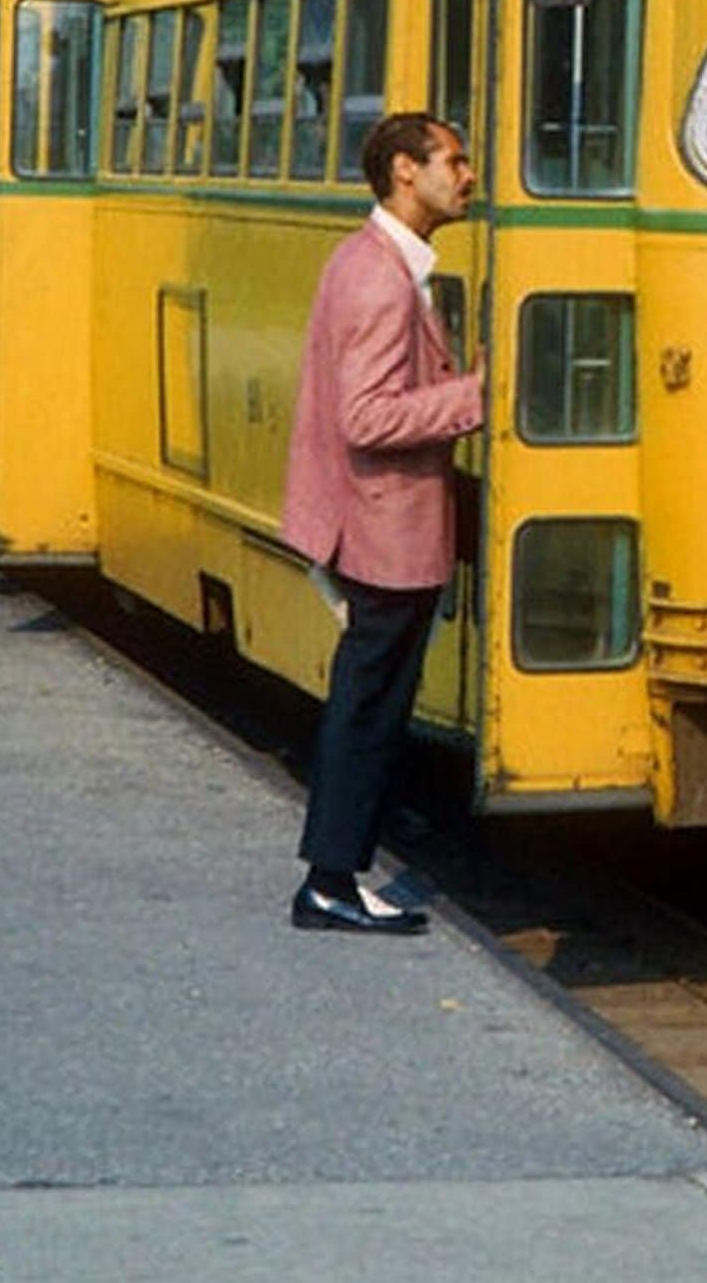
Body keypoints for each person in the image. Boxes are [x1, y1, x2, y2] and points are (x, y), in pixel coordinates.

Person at [279, 110, 487, 936]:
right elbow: (367, 418)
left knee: (366, 706)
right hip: (383, 530)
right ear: (406, 169)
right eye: (455, 160)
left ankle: (336, 876)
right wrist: (479, 392)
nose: (467, 176)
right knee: (366, 710)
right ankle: (329, 882)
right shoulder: (377, 276)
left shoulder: (374, 262)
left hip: (382, 525)